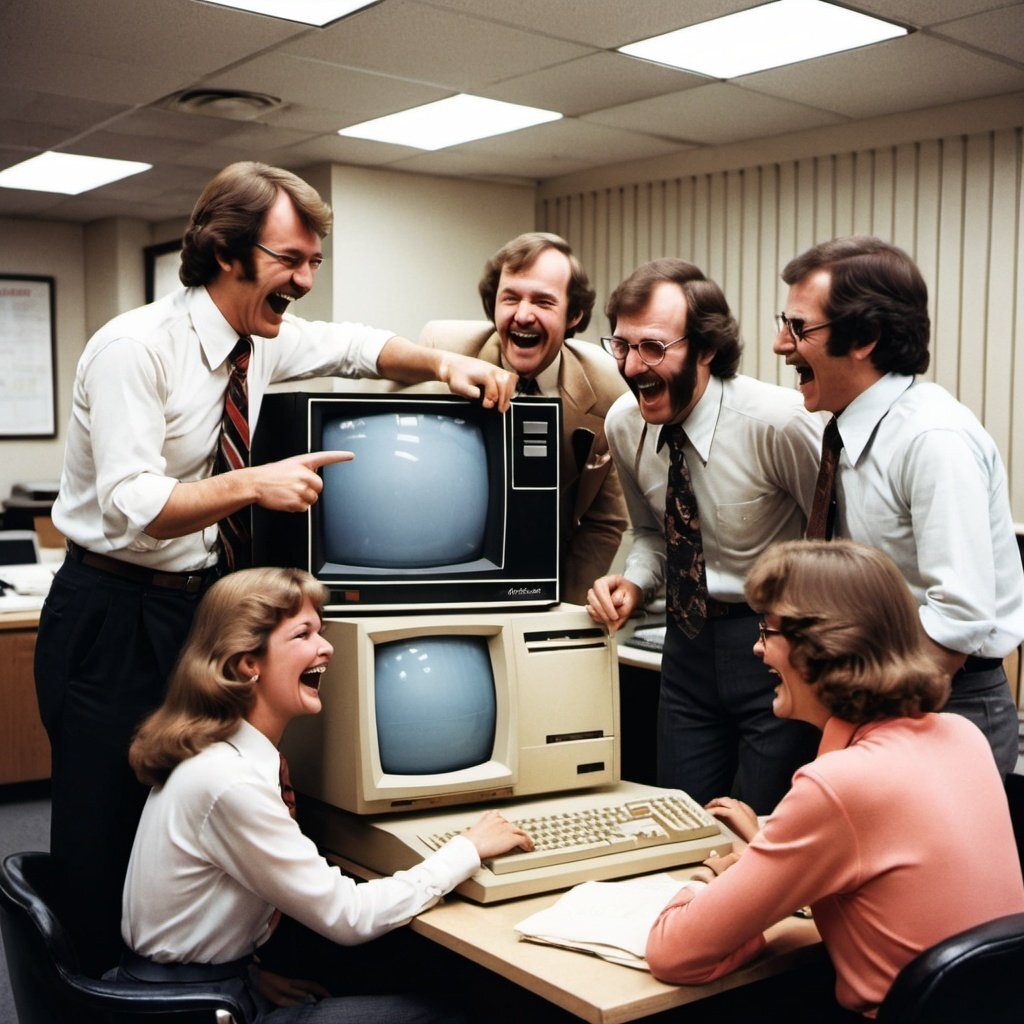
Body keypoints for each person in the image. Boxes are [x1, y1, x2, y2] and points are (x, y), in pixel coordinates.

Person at [34, 160, 516, 974]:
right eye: (292, 260)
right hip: (110, 613)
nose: (305, 278)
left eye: (315, 261)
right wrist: (253, 483)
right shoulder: (135, 349)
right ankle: (99, 1001)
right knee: (103, 831)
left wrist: (442, 366)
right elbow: (133, 501)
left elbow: (360, 347)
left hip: (189, 607)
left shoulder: (263, 340)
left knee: (190, 817)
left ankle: (223, 973)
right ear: (228, 254)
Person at [115, 566, 532, 1023]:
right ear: (246, 664)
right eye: (303, 634)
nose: (326, 646)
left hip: (204, 985)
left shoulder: (216, 755)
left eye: (322, 630)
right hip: (186, 1010)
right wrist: (465, 849)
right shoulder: (229, 782)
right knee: (442, 1011)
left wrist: (246, 976)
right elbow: (350, 918)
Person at [646, 539, 1024, 1020]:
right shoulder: (962, 736)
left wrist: (718, 876)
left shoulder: (839, 785)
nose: (757, 647)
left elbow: (674, 953)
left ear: (820, 646)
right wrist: (770, 853)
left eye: (768, 629)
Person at [775, 235, 1024, 775]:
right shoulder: (846, 429)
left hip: (944, 703)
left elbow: (959, 618)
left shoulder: (933, 438)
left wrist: (855, 721)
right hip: (880, 696)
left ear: (865, 337)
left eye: (799, 327)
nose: (780, 344)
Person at [586, 259, 823, 813]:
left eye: (653, 348)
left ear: (707, 349)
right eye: (620, 346)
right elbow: (652, 534)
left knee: (764, 828)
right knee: (680, 820)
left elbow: (839, 541)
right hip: (685, 645)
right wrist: (635, 583)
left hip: (775, 645)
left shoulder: (780, 423)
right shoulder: (624, 423)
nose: (631, 365)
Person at [419, 231, 629, 604]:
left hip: (547, 582)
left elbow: (605, 520)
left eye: (544, 302)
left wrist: (565, 611)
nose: (523, 315)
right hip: (444, 576)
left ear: (574, 315)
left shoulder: (610, 386)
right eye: (510, 298)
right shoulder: (443, 350)